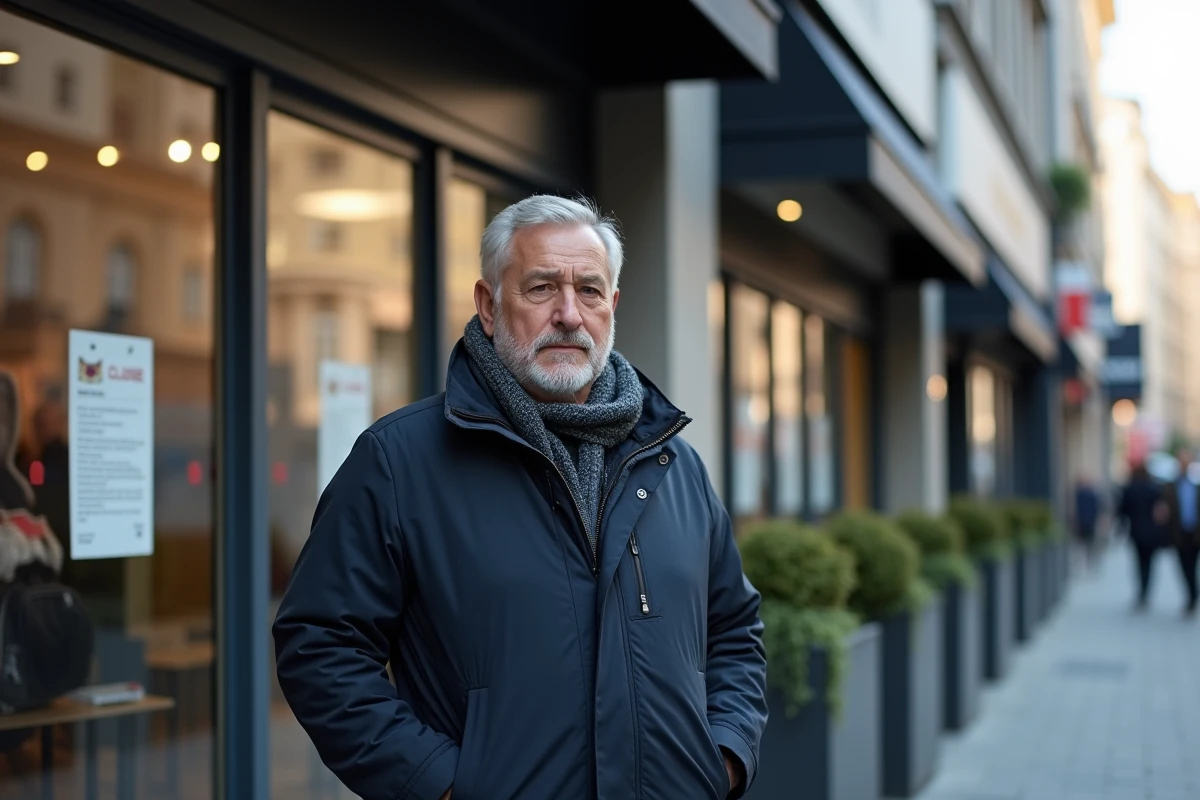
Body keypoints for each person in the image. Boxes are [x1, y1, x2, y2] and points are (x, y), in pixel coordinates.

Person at [273, 195, 768, 800]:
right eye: (540, 288)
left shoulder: (673, 464)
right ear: (488, 305)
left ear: (611, 308)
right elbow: (321, 647)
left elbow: (735, 629)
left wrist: (721, 759)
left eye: (589, 290)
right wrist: (440, 784)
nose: (568, 314)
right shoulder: (399, 461)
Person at [1117, 462, 1167, 610]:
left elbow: (1122, 512)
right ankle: (1146, 592)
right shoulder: (1154, 489)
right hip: (1152, 533)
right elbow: (1162, 511)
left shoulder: (1129, 489)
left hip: (1136, 532)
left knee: (1139, 564)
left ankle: (1141, 593)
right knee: (1150, 564)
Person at [1157, 447, 1200, 617]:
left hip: (1195, 533)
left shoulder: (1196, 485)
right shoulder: (1169, 487)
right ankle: (1192, 595)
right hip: (1179, 533)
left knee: (1193, 566)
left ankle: (1192, 597)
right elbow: (1163, 510)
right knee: (1184, 567)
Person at [1074, 475, 1101, 569]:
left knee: (1089, 542)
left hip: (1089, 522)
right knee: (1084, 543)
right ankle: (1085, 561)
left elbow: (1096, 509)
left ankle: (1088, 561)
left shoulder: (1089, 495)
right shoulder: (1079, 495)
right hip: (1082, 522)